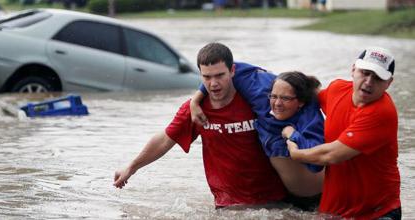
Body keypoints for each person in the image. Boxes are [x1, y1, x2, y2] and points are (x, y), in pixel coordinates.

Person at [113, 42, 287, 208]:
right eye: (207, 77)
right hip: (228, 205)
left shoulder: (258, 101)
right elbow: (165, 140)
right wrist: (131, 167)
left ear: (232, 71)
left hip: (275, 201)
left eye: (220, 75)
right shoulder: (195, 110)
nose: (214, 83)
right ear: (200, 76)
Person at [286, 47, 401, 219]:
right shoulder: (337, 90)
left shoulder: (382, 113)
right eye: (365, 73)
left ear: (389, 83)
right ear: (353, 70)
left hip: (376, 213)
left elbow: (331, 155)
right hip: (333, 211)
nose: (369, 82)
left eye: (377, 78)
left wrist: (295, 151)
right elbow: (308, 93)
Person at [190, 66, 325, 210]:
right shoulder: (262, 96)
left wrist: (292, 134)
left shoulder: (309, 118)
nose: (277, 104)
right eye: (274, 96)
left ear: (301, 102)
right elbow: (225, 68)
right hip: (284, 195)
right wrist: (196, 99)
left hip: (316, 198)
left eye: (286, 98)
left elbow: (316, 163)